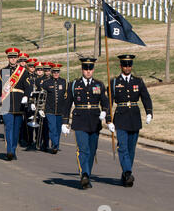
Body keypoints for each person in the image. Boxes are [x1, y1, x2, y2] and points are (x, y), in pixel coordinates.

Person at [62, 58, 114, 189]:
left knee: (92, 150)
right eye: (86, 69)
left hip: (95, 121)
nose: (88, 71)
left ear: (93, 69)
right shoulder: (74, 84)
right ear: (82, 70)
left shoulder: (99, 84)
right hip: (80, 121)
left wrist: (106, 115)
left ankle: (87, 175)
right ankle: (84, 174)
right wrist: (64, 123)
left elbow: (106, 102)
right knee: (82, 149)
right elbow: (67, 104)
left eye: (90, 69)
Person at [109, 54, 153, 187]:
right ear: (120, 66)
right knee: (122, 147)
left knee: (131, 149)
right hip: (121, 118)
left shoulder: (138, 81)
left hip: (134, 118)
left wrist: (149, 112)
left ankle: (125, 174)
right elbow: (108, 101)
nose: (127, 67)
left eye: (129, 65)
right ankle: (128, 172)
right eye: (125, 65)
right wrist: (108, 119)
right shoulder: (114, 82)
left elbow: (146, 98)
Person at [0, 47, 32, 161]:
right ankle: (9, 151)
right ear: (8, 58)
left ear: (17, 58)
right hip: (6, 103)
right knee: (8, 127)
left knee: (16, 129)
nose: (12, 59)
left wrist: (26, 96)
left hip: (19, 103)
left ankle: (13, 149)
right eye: (10, 57)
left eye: (14, 57)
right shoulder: (2, 71)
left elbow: (28, 86)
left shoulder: (23, 72)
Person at [41, 63, 67, 154]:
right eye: (54, 72)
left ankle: (56, 145)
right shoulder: (46, 83)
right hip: (49, 109)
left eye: (57, 72)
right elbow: (42, 96)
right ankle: (55, 144)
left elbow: (66, 96)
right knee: (52, 128)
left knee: (58, 129)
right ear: (51, 72)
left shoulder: (63, 82)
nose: (56, 74)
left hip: (60, 110)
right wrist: (41, 108)